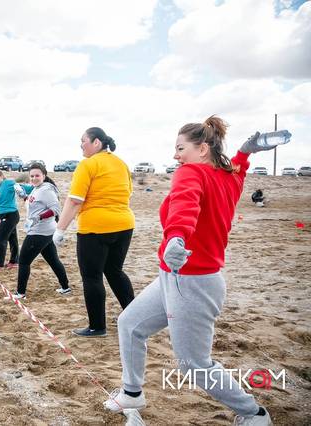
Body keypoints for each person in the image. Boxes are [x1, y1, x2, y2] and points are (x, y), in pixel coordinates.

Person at [104, 117, 273, 425]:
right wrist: (245, 152)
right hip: (173, 277)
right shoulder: (229, 178)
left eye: (180, 148)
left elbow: (185, 204)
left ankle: (254, 414)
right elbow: (237, 170)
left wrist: (177, 237)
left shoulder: (189, 172)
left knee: (194, 364)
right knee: (130, 324)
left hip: (193, 281)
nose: (175, 155)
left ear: (202, 149)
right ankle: (132, 392)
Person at [53, 127, 135, 337]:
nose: (81, 145)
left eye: (83, 141)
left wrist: (60, 229)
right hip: (124, 225)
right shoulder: (121, 163)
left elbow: (75, 200)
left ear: (96, 142)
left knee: (92, 276)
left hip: (96, 228)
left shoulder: (87, 164)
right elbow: (127, 193)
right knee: (115, 271)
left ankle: (97, 326)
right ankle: (135, 317)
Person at [6, 163, 69, 299]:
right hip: (45, 231)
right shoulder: (37, 188)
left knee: (23, 261)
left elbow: (55, 209)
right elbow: (35, 204)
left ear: (44, 176)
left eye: (37, 175)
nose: (34, 178)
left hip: (40, 231)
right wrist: (24, 196)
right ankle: (65, 287)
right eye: (32, 176)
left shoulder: (46, 190)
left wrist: (39, 217)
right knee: (53, 260)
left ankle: (20, 293)